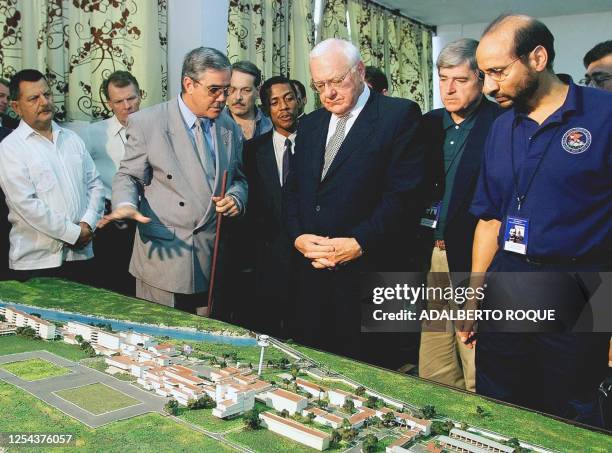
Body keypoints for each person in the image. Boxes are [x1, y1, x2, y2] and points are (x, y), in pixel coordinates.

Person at [467, 14, 611, 425]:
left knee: (571, 412)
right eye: (484, 74)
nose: (489, 86)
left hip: (581, 287)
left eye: (498, 72)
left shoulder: (604, 115)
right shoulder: (499, 127)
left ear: (537, 57)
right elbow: (491, 219)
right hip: (508, 282)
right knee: (498, 404)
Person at [283, 38, 425, 364]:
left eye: (336, 81)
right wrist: (298, 237)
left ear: (359, 71)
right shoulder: (309, 124)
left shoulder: (399, 115)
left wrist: (360, 242)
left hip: (371, 273)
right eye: (320, 84)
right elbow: (292, 193)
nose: (328, 93)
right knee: (315, 372)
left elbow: (404, 197)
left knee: (373, 379)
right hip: (313, 275)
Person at [99, 47, 247, 315]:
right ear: (188, 84)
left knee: (205, 345)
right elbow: (128, 176)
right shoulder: (148, 122)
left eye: (227, 89)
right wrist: (124, 203)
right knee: (160, 342)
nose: (223, 98)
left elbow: (238, 177)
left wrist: (236, 198)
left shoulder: (229, 126)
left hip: (211, 256)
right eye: (215, 89)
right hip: (164, 254)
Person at [418, 38, 501, 392]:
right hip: (430, 253)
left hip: (476, 257)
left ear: (481, 79)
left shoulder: (502, 123)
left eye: (460, 80)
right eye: (442, 79)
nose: (448, 89)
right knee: (434, 365)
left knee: (476, 364)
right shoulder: (426, 124)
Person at [0, 70, 104, 280]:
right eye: (34, 98)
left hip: (82, 255)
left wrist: (88, 224)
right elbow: (26, 204)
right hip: (36, 262)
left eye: (47, 94)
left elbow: (95, 185)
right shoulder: (10, 148)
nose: (44, 102)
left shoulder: (72, 139)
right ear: (16, 107)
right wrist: (74, 233)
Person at [233, 76, 299, 337]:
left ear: (300, 100)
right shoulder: (251, 151)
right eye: (275, 102)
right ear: (266, 109)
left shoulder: (318, 144)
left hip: (309, 260)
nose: (283, 107)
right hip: (267, 260)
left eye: (289, 98)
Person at [80, 71, 142, 295]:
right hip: (112, 225)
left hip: (147, 218)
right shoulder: (94, 133)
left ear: (140, 96)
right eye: (119, 101)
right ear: (110, 103)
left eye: (131, 98)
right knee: (114, 285)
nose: (127, 106)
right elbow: (81, 176)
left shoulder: (155, 127)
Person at [222, 61, 272, 140]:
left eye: (246, 90)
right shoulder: (215, 123)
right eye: (232, 89)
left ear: (258, 91)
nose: (238, 97)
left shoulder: (271, 123)